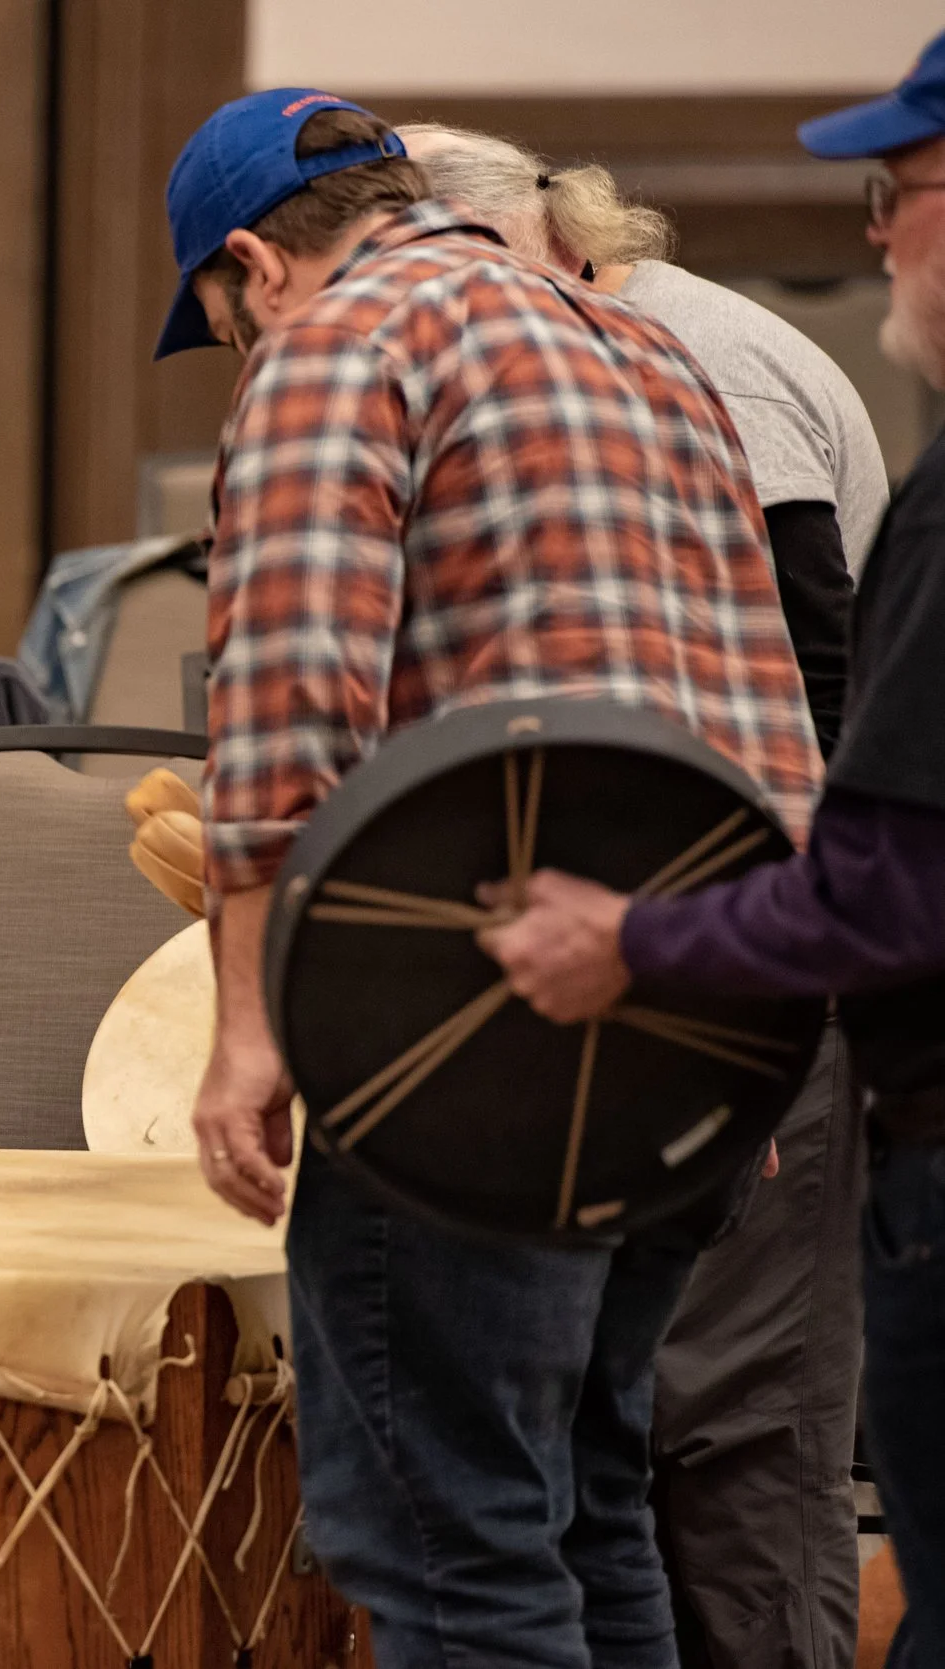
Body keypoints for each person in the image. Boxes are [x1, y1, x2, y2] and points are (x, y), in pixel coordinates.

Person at [164, 89, 823, 1666]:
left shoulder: (336, 342)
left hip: (471, 1035)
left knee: (453, 1544)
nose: (247, 352)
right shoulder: (647, 350)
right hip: (699, 1011)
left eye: (225, 321)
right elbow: (765, 708)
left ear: (259, 264)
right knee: (591, 1505)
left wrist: (248, 1030)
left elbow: (284, 715)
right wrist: (752, 1043)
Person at [482, 34, 945, 1668]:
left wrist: (647, 944)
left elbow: (823, 764)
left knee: (741, 1450)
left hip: (790, 1015)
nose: (876, 228)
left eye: (905, 191)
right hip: (786, 991)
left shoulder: (694, 375)